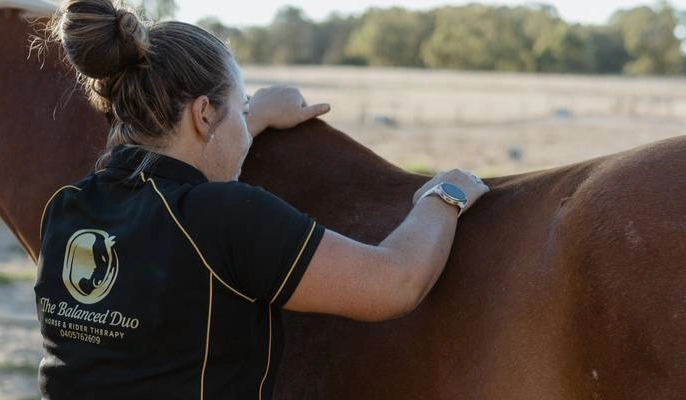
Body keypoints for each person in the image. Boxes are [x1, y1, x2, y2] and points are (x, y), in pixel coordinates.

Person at [34, 1, 490, 398]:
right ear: (204, 114)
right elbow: (395, 283)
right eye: (240, 105)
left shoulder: (67, 208)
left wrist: (253, 118)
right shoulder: (225, 217)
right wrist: (445, 193)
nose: (244, 120)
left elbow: (174, 169)